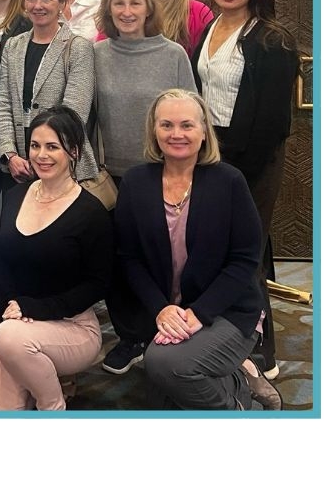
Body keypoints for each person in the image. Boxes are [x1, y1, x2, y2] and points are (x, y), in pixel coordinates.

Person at [114, 90, 279, 411]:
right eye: (167, 125)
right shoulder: (136, 182)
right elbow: (128, 258)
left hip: (227, 310)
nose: (177, 134)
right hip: (167, 311)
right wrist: (160, 308)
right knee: (164, 397)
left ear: (204, 132)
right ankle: (239, 378)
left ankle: (237, 408)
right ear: (153, 130)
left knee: (163, 364)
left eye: (187, 125)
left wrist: (200, 313)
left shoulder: (229, 181)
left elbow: (245, 259)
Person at [191, 0, 300, 379]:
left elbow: (275, 122)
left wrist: (235, 171)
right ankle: (219, 337)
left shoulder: (272, 38)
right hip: (206, 153)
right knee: (212, 249)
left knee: (245, 254)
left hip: (252, 161)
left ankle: (259, 350)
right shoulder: (210, 27)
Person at [92, 0, 197, 376]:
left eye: (136, 3)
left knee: (163, 259)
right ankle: (130, 335)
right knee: (120, 260)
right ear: (109, 10)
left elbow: (191, 112)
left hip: (162, 174)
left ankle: (169, 329)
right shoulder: (97, 55)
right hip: (112, 177)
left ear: (149, 8)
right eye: (119, 3)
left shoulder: (172, 54)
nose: (127, 11)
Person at [0, 107, 113, 411]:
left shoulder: (91, 212)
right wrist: (15, 306)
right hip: (17, 323)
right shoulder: (14, 196)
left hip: (73, 326)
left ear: (74, 152)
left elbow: (99, 284)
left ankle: (52, 406)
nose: (41, 155)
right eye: (35, 146)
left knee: (8, 337)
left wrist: (34, 309)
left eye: (53, 146)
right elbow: (2, 260)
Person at [0, 0, 97, 186]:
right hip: (19, 167)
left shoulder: (78, 47)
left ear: (62, 3)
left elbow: (73, 113)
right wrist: (10, 154)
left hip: (63, 165)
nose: (38, 6)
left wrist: (42, 156)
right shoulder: (13, 45)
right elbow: (3, 103)